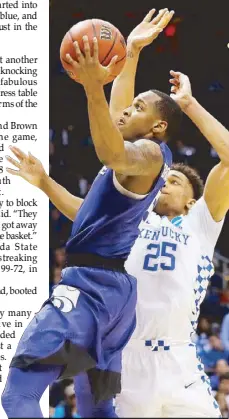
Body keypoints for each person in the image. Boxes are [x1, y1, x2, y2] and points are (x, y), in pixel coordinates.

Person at [1, 9, 182, 419]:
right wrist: (131, 52)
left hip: (89, 290)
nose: (127, 109)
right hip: (115, 296)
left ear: (157, 127)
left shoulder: (146, 155)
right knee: (97, 410)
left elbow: (109, 148)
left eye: (138, 108)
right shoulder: (137, 162)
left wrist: (91, 87)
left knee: (18, 395)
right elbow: (86, 213)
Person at [113, 71, 229, 417]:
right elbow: (118, 138)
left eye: (174, 180)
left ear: (192, 201)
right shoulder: (133, 213)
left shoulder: (201, 223)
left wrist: (189, 104)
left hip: (179, 361)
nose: (165, 182)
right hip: (127, 360)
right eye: (164, 177)